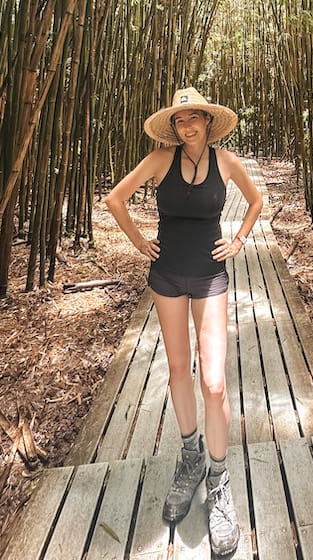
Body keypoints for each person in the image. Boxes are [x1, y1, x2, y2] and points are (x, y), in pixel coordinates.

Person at [105, 87, 263, 557]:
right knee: (178, 371)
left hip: (211, 276)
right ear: (172, 126)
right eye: (180, 121)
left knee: (213, 383)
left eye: (194, 119)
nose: (187, 127)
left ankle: (218, 479)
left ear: (208, 122)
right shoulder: (159, 159)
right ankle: (190, 456)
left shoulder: (227, 161)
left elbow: (256, 202)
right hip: (167, 276)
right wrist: (138, 241)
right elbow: (116, 199)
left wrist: (237, 241)